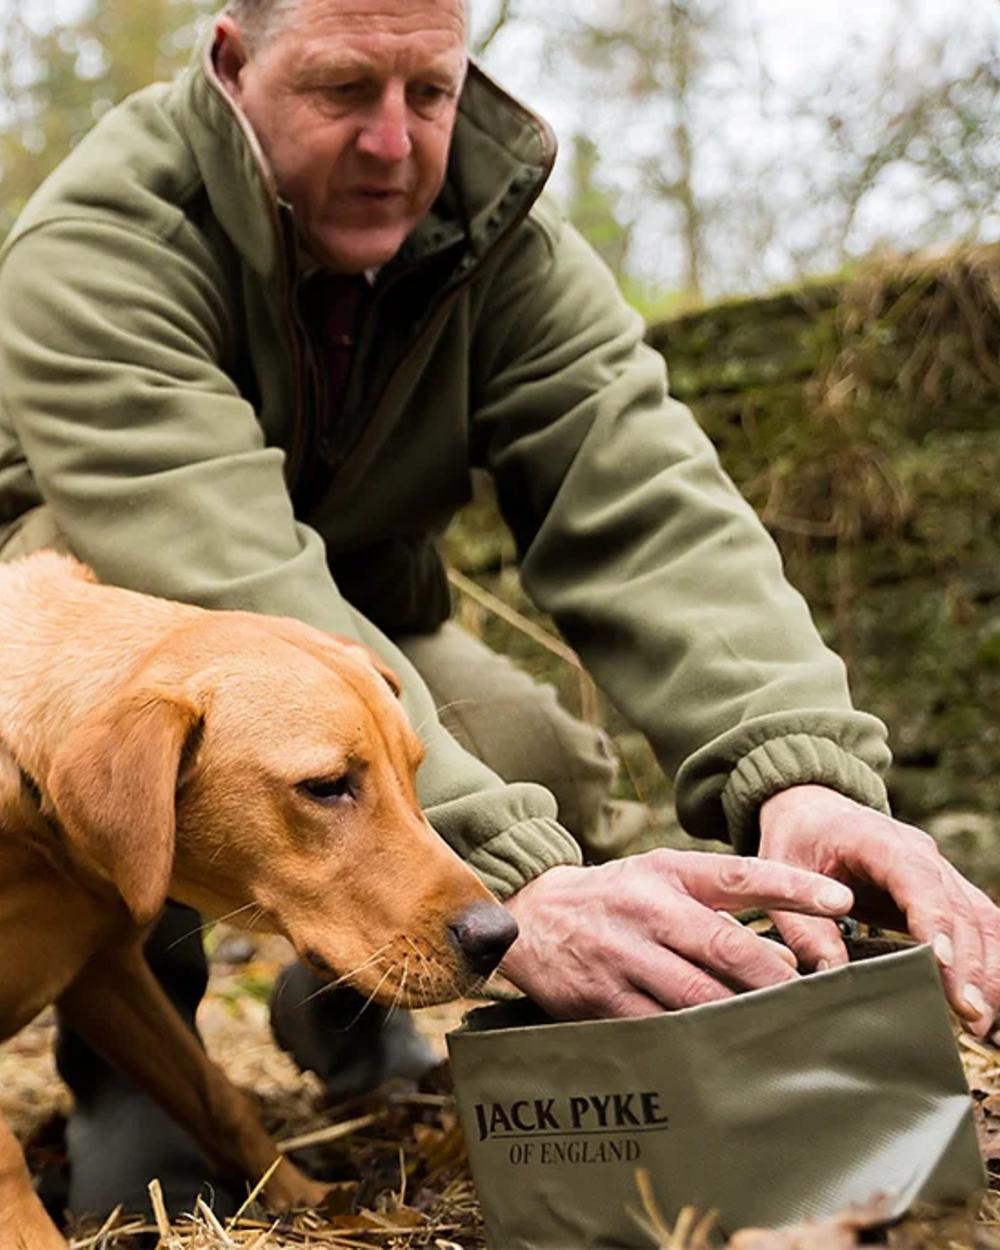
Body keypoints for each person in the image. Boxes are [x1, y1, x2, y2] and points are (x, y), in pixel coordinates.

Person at [1, 0, 998, 1221]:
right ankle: (137, 1068)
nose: (392, 142)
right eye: (340, 88)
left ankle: (351, 990)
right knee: (129, 733)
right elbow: (217, 568)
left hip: (354, 646)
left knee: (526, 748)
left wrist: (798, 764)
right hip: (112, 639)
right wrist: (520, 882)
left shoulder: (498, 233)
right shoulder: (101, 242)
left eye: (430, 90)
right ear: (231, 65)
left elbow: (644, 500)